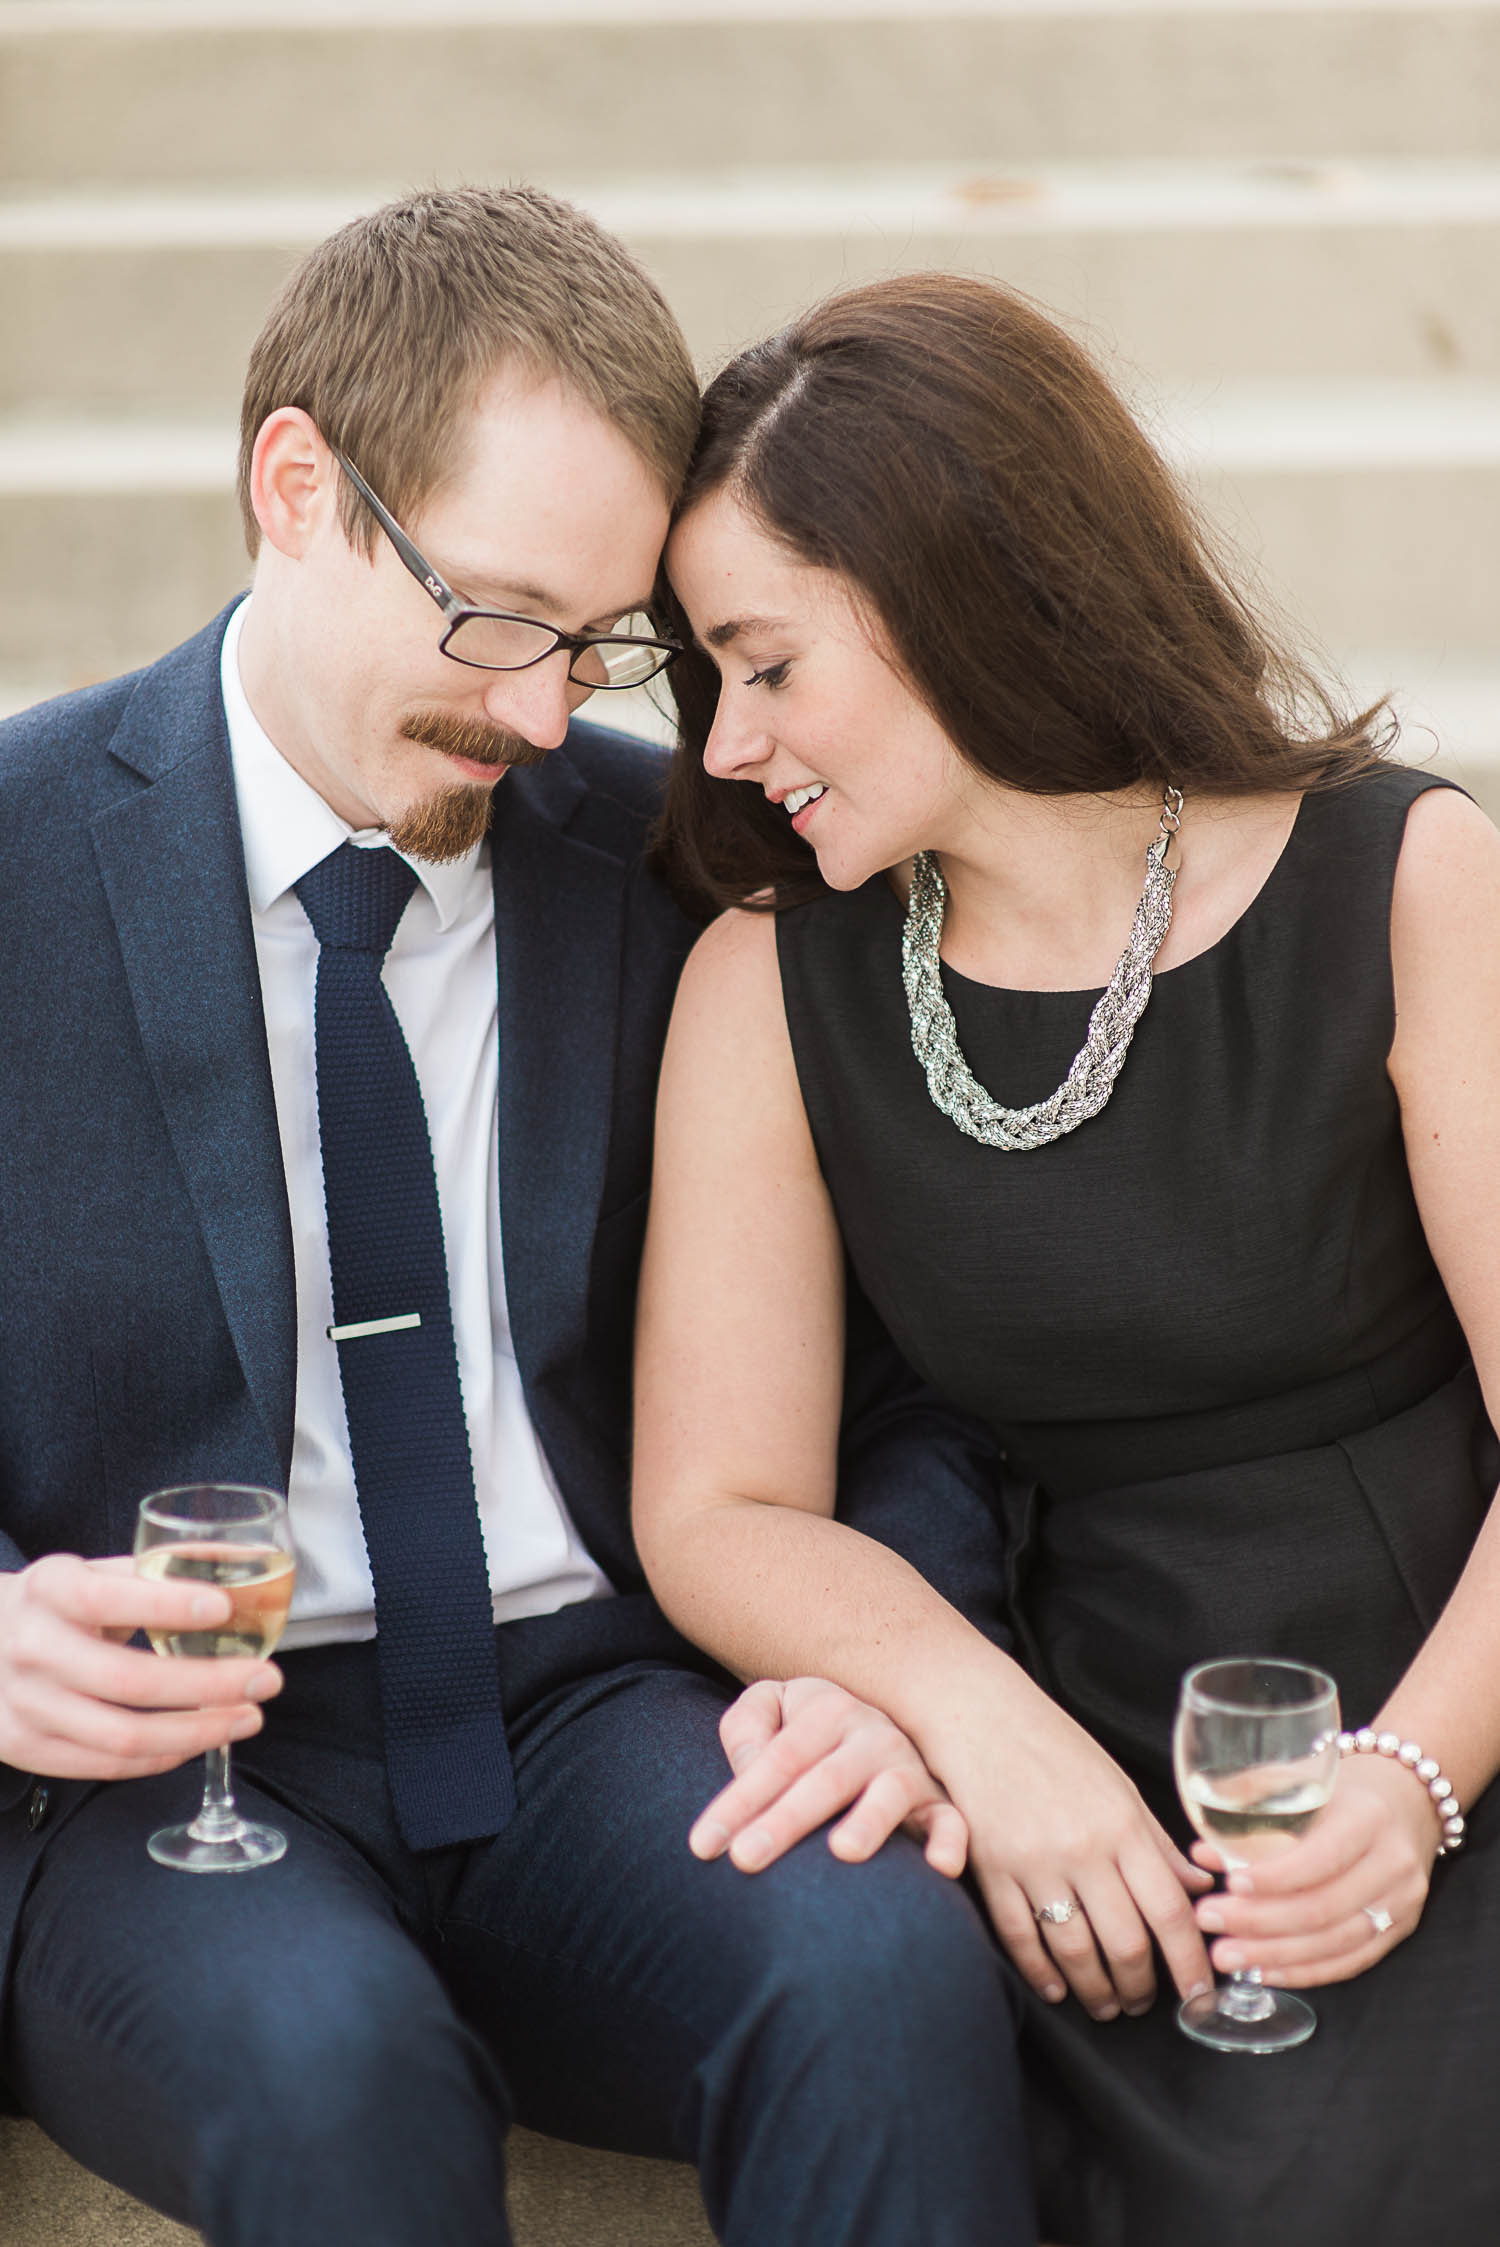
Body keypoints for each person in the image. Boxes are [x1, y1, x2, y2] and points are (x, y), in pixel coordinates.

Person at [0, 196, 1039, 2247]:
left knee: (886, 1967)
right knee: (336, 2075)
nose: (551, 713)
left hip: (595, 1710)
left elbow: (934, 1374)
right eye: (498, 618)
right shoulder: (13, 855)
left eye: (599, 640)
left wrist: (885, 1661)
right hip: (166, 1764)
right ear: (294, 485)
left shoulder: (677, 870)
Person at [635, 270, 1500, 2246]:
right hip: (1078, 1742)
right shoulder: (769, 982)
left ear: (953, 584)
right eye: (707, 679)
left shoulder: (1409, 877)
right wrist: (988, 1727)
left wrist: (1410, 1789)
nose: (728, 745)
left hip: (1450, 1682)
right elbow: (715, 1501)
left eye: (765, 664)